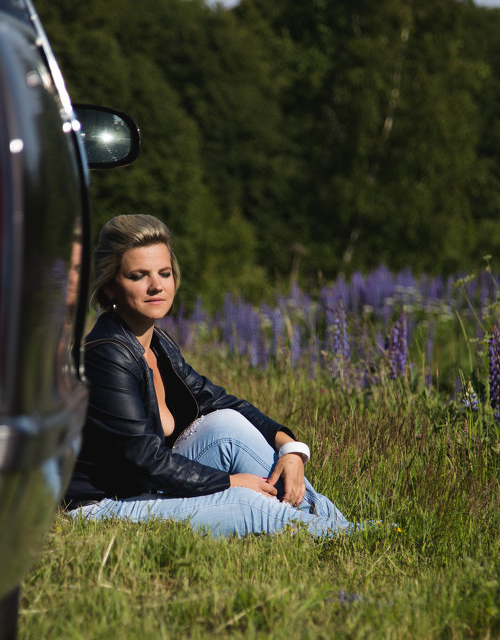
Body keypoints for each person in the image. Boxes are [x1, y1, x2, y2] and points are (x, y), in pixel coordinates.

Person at [63, 214, 356, 538]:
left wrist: (292, 449)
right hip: (103, 505)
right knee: (246, 502)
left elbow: (218, 401)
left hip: (144, 486)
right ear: (110, 286)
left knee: (226, 424)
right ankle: (342, 536)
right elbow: (144, 460)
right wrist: (230, 483)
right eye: (138, 275)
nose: (157, 285)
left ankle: (341, 527)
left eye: (164, 273)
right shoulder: (106, 355)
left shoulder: (157, 344)